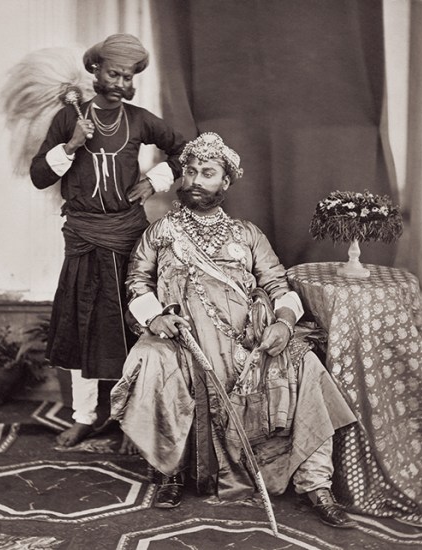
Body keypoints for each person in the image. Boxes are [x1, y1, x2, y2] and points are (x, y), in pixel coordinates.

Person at [110, 132, 359, 528]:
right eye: (191, 171)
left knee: (307, 364)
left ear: (225, 182)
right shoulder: (161, 231)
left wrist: (283, 323)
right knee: (151, 359)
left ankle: (317, 486)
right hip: (182, 339)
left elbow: (278, 285)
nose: (195, 180)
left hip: (244, 340)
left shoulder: (247, 234)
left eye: (207, 173)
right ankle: (171, 471)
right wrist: (155, 318)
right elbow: (137, 282)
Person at [29, 34, 187, 451]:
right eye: (114, 74)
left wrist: (153, 181)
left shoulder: (139, 120)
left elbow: (184, 151)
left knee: (133, 324)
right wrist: (71, 145)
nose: (121, 83)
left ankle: (133, 417)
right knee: (82, 325)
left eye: (128, 77)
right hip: (83, 237)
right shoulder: (68, 118)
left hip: (128, 238)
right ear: (96, 70)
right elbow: (39, 176)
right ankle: (84, 417)